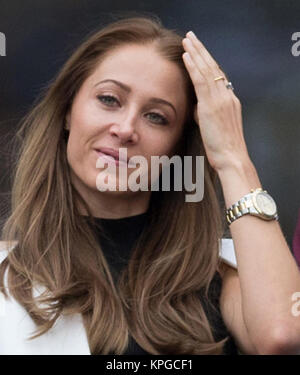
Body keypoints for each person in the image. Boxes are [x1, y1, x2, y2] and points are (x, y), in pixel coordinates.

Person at [0, 15, 300, 355]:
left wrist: (232, 156)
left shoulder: (222, 273)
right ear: (68, 110)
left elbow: (283, 335)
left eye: (156, 117)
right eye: (109, 99)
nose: (126, 128)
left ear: (176, 148)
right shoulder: (7, 275)